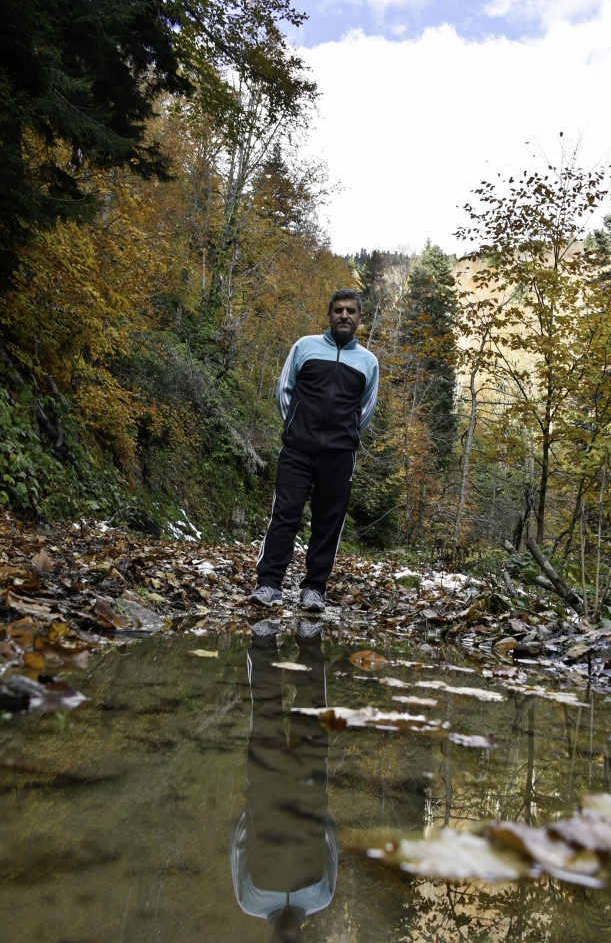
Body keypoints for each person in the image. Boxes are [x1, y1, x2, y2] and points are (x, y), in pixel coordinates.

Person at [250, 289, 379, 612]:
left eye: (351, 311)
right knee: (285, 515)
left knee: (328, 522)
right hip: (298, 449)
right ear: (329, 314)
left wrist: (344, 435)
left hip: (339, 455)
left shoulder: (368, 362)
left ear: (359, 318)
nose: (344, 316)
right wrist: (296, 426)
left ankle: (314, 589)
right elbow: (285, 390)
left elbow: (366, 409)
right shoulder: (304, 347)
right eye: (338, 310)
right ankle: (268, 585)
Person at [230, 618, 337, 942]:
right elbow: (331, 841)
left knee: (265, 710)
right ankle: (309, 641)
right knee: (312, 709)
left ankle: (262, 640)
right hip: (309, 781)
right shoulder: (321, 897)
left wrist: (256, 803)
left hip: (265, 779)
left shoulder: (250, 901)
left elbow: (238, 847)